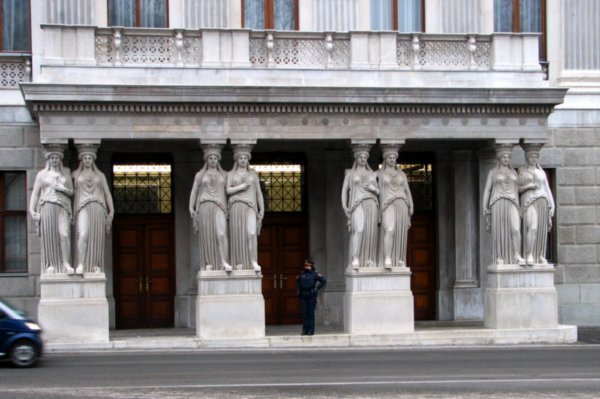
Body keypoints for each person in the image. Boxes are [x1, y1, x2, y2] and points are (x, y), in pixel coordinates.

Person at [29, 150, 74, 274]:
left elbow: (71, 192)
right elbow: (35, 193)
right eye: (52, 157)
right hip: (47, 205)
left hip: (62, 205)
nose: (54, 160)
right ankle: (51, 264)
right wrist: (31, 209)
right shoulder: (42, 175)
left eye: (57, 157)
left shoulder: (65, 174)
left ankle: (66, 263)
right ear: (48, 159)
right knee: (50, 236)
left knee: (64, 234)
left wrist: (62, 188)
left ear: (60, 159)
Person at [189, 147, 232, 271]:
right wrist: (191, 207)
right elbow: (194, 191)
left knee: (221, 233)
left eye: (215, 158)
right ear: (206, 160)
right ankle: (209, 263)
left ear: (218, 160)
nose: (213, 160)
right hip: (205, 205)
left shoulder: (224, 174)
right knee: (207, 235)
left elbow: (230, 190)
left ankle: (223, 261)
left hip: (220, 206)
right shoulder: (200, 175)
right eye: (210, 158)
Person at [72, 150, 114, 274]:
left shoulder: (100, 176)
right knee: (83, 234)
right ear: (81, 159)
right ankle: (81, 264)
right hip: (82, 206)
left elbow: (107, 194)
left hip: (98, 207)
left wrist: (112, 211)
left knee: (96, 237)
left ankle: (95, 265)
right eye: (85, 158)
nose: (87, 160)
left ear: (93, 160)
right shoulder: (75, 174)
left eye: (90, 158)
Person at [482, 145, 525, 265]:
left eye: (508, 157)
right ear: (499, 158)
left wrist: (529, 187)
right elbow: (487, 189)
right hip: (498, 202)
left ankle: (517, 255)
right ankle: (499, 256)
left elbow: (518, 189)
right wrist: (484, 206)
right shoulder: (493, 172)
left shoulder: (514, 172)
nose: (506, 159)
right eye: (504, 157)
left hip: (512, 202)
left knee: (515, 229)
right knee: (499, 231)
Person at [226, 147, 264, 272]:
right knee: (237, 235)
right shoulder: (231, 174)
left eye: (245, 158)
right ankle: (239, 262)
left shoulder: (253, 174)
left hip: (250, 206)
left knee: (251, 233)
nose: (243, 160)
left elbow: (258, 193)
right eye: (240, 158)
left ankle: (253, 261)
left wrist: (261, 210)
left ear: (248, 159)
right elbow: (227, 190)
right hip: (236, 206)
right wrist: (240, 187)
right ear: (236, 160)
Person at [341, 147, 379, 269]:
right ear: (356, 158)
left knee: (370, 232)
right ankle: (355, 258)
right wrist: (344, 206)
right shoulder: (350, 174)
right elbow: (344, 191)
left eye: (365, 157)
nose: (363, 159)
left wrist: (372, 189)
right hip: (357, 203)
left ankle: (369, 259)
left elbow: (378, 191)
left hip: (371, 203)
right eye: (360, 157)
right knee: (359, 229)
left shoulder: (371, 174)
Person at [376, 147, 414, 268]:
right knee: (390, 229)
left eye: (394, 158)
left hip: (402, 203)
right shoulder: (379, 173)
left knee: (399, 232)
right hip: (387, 204)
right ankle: (387, 257)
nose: (392, 160)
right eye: (390, 157)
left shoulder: (401, 174)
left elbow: (407, 190)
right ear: (385, 159)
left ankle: (398, 259)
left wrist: (411, 205)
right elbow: (364, 176)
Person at [518, 145, 555, 265]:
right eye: (531, 156)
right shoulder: (522, 171)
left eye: (535, 157)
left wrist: (552, 204)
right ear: (527, 158)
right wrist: (528, 186)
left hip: (542, 201)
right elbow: (517, 189)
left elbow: (547, 188)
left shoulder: (541, 172)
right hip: (529, 201)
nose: (534, 159)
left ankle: (540, 255)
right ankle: (528, 254)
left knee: (541, 230)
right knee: (532, 228)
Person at [296, 260, 327, 336]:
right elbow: (297, 281)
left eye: (308, 266)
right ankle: (304, 330)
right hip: (303, 295)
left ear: (311, 266)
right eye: (305, 266)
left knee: (310, 314)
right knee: (304, 314)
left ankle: (310, 330)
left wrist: (317, 288)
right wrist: (298, 290)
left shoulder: (315, 274)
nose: (306, 267)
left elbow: (323, 281)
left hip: (311, 295)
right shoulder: (302, 274)